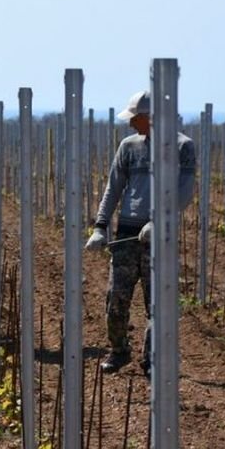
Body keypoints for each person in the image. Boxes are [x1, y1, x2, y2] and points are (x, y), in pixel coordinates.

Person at [84, 90, 195, 374]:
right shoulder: (128, 147)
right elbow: (114, 187)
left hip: (160, 236)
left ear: (150, 117)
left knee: (156, 302)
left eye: (135, 118)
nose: (132, 124)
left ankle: (152, 360)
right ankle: (119, 350)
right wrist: (100, 226)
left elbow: (184, 192)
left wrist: (160, 220)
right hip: (127, 232)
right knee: (116, 298)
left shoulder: (183, 147)